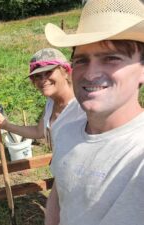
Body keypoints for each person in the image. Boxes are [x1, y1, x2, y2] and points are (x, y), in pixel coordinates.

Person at [44, 0, 144, 224]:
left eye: (111, 58)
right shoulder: (65, 131)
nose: (90, 74)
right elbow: (60, 196)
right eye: (81, 60)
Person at [0, 48, 85, 151]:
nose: (43, 80)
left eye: (48, 72)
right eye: (38, 76)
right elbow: (38, 131)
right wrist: (6, 125)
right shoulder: (51, 101)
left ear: (66, 72)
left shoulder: (82, 106)